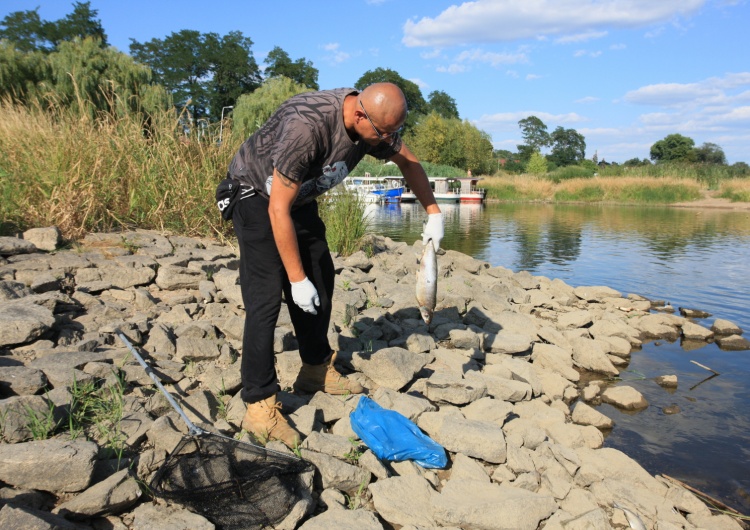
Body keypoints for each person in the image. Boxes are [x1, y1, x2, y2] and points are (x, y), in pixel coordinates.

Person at [223, 82, 443, 447]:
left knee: (321, 277)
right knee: (265, 297)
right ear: (359, 114)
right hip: (255, 196)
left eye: (394, 132)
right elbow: (277, 209)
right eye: (384, 133)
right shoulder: (306, 126)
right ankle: (259, 404)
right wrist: (295, 280)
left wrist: (433, 212)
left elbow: (408, 161)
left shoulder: (375, 122)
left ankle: (314, 369)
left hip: (297, 199)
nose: (388, 141)